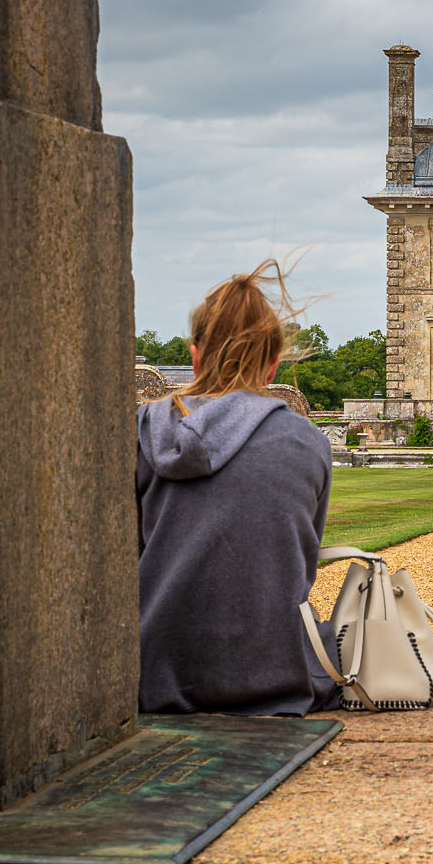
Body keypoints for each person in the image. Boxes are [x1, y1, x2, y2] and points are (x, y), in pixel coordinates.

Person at [136, 260, 340, 717]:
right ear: (272, 365)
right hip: (274, 684)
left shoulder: (142, 431)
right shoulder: (307, 442)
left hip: (154, 680)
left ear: (194, 354)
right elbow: (297, 567)